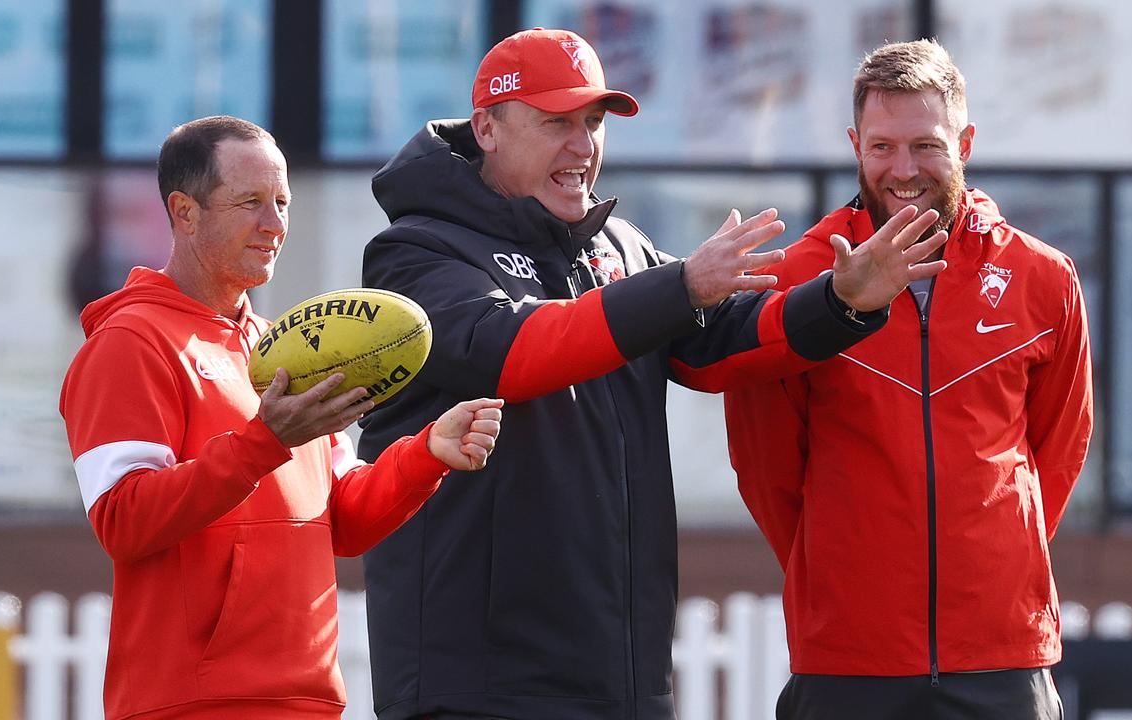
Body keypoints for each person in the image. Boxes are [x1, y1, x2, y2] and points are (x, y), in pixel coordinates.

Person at [356, 28, 949, 720]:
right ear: (486, 127)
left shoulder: (616, 245)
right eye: (557, 123)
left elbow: (719, 343)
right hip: (481, 686)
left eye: (594, 123)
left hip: (624, 682)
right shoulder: (413, 252)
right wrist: (682, 286)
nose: (584, 146)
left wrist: (840, 304)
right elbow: (514, 352)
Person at [58, 115, 505, 720]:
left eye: (282, 202)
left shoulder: (283, 347)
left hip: (307, 697)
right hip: (194, 704)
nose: (274, 225)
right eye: (250, 202)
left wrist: (426, 454)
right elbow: (122, 520)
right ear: (184, 212)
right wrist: (262, 443)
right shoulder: (130, 342)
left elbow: (343, 517)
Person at [724, 39, 1094, 719]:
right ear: (854, 145)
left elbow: (1058, 453)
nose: (903, 170)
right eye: (882, 147)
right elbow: (766, 468)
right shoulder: (794, 284)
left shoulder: (1045, 280)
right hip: (847, 653)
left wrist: (991, 560)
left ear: (966, 141)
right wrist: (841, 567)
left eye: (926, 145)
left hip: (1001, 651)